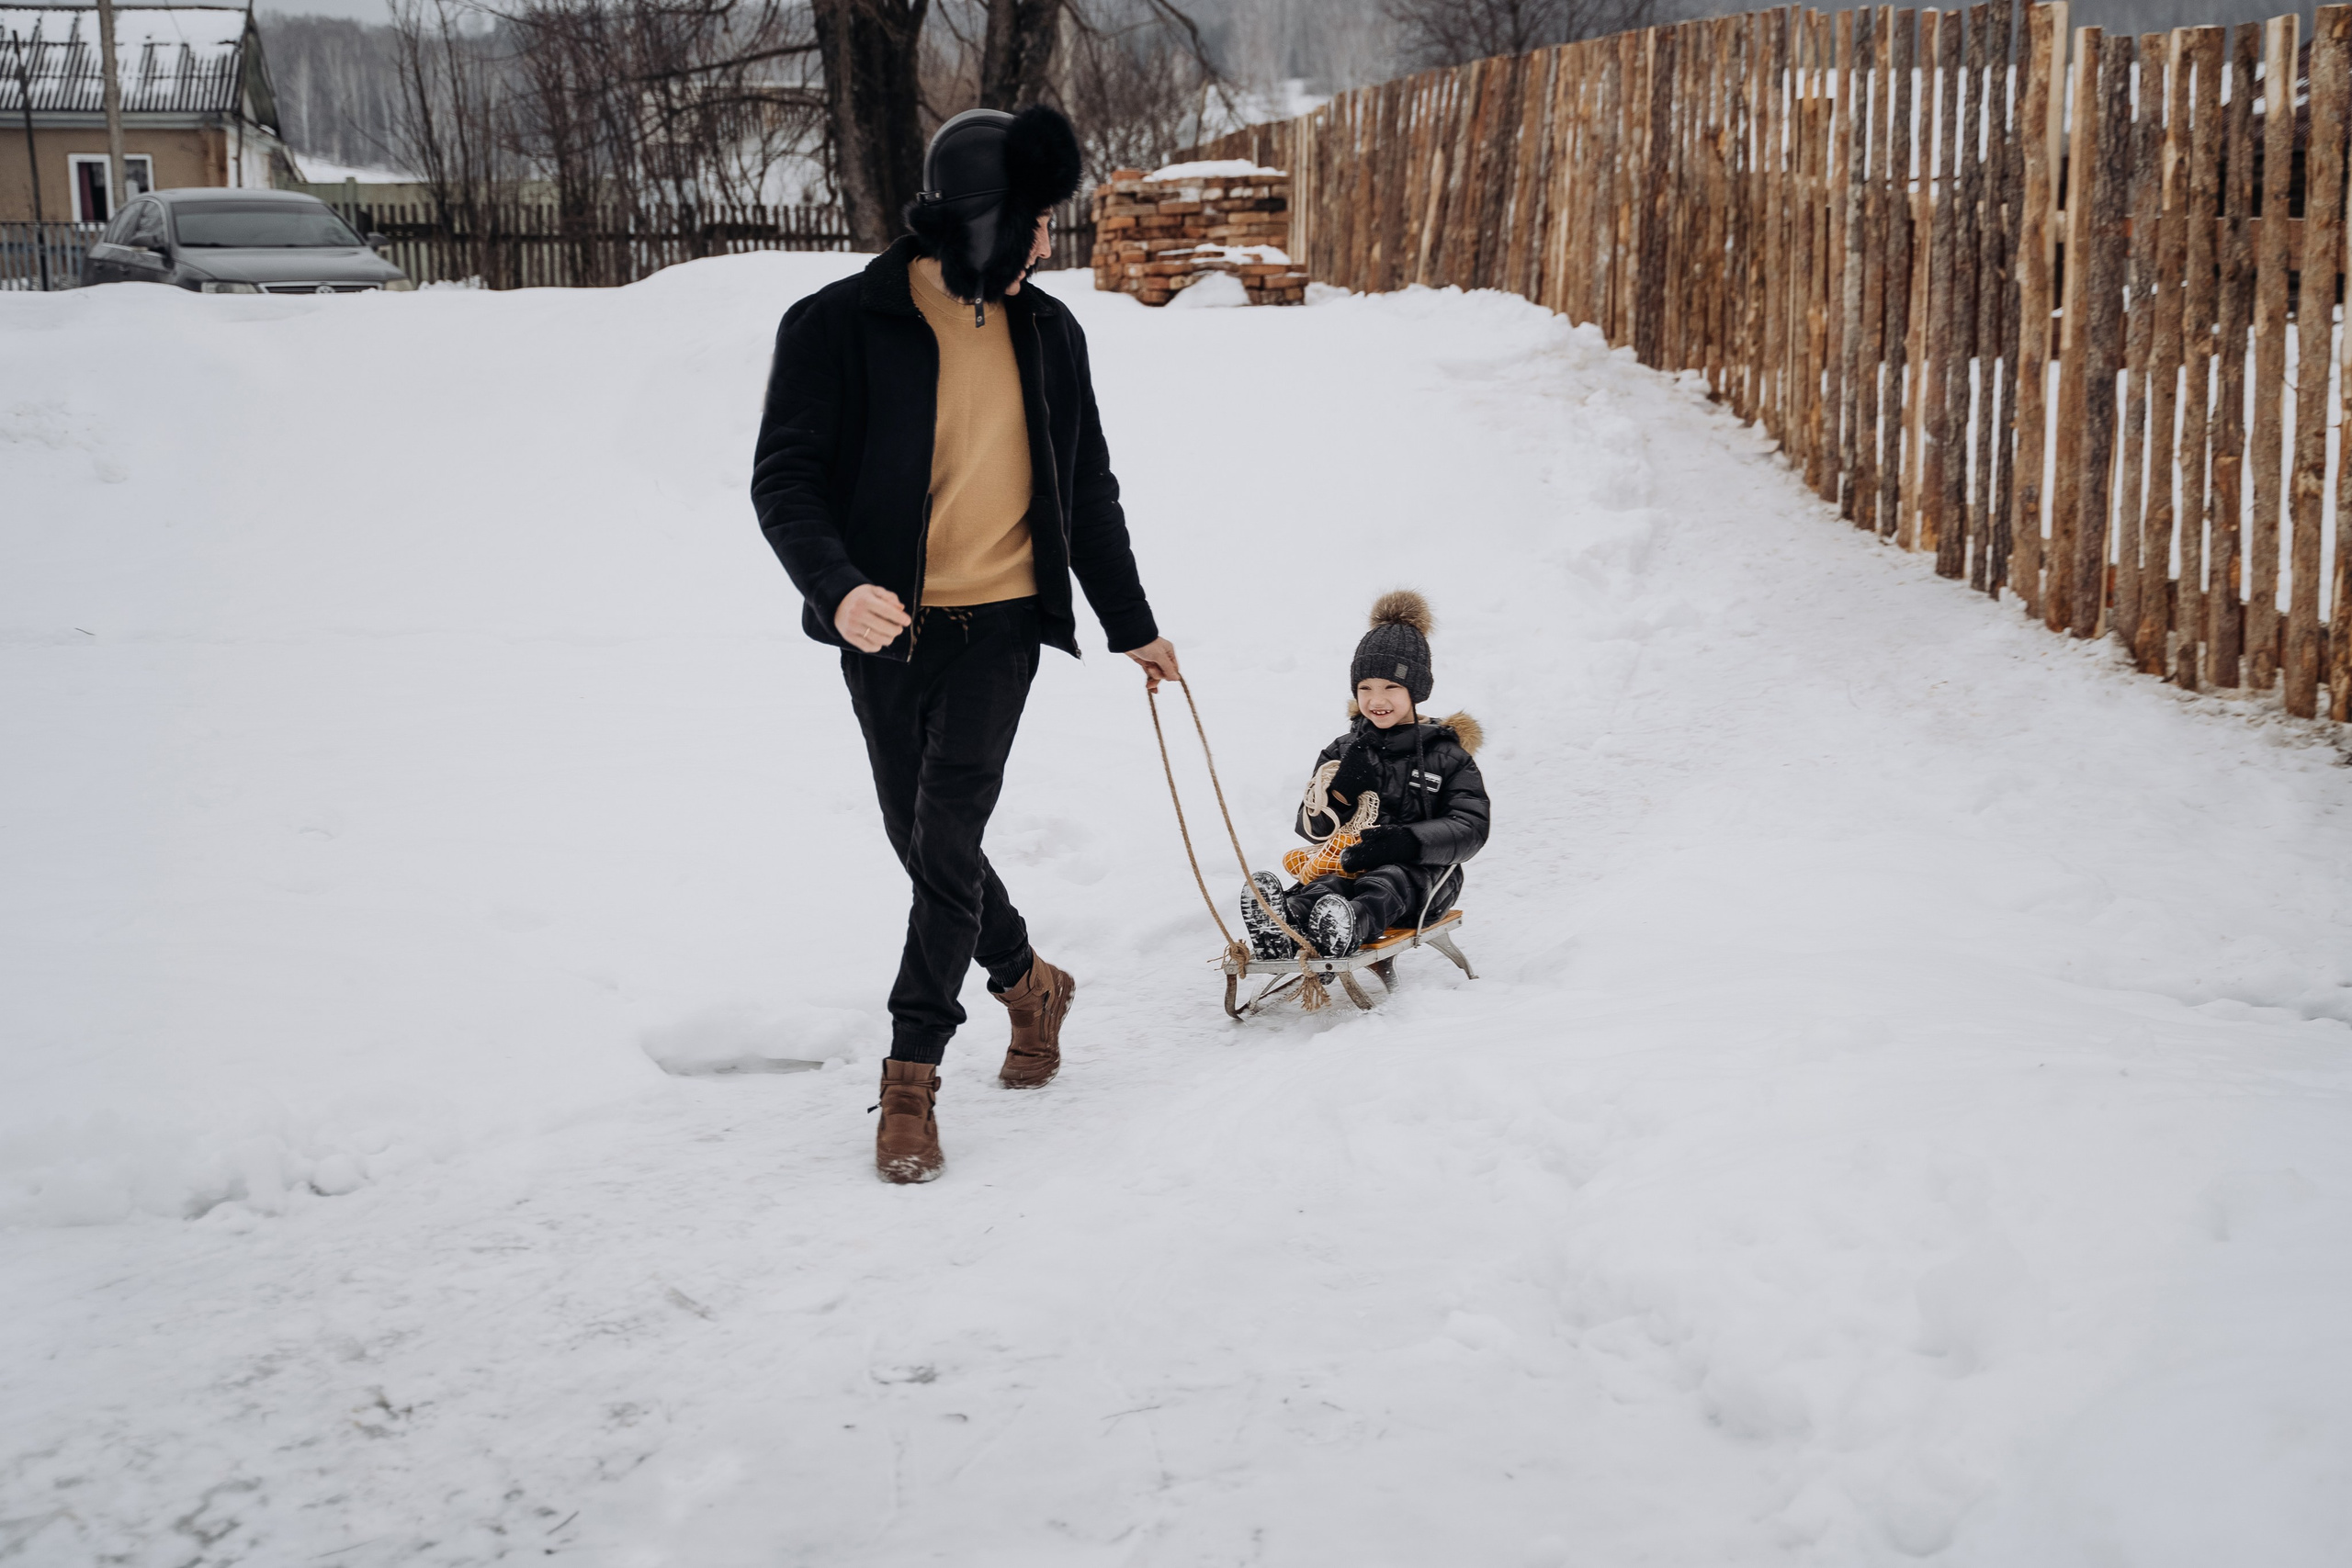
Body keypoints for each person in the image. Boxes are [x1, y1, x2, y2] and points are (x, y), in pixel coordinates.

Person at [750, 105, 1180, 1184]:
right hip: (886, 631)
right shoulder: (838, 324)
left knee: (944, 839)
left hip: (1001, 629)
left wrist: (1133, 626)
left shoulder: (1050, 332)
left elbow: (1086, 489)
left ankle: (911, 1080)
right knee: (919, 837)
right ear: (984, 219)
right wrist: (837, 587)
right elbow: (785, 480)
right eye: (1037, 219)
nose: (1051, 240)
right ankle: (1030, 982)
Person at [1240, 592, 1489, 960]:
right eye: (1365, 688)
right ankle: (1283, 925)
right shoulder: (1344, 750)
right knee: (1326, 885)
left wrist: (1407, 841)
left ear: (1416, 690)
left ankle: (1347, 926)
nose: (1377, 700)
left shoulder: (1447, 756)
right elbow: (1311, 829)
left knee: (1384, 881)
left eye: (1391, 687)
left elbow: (1470, 828)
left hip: (1424, 878)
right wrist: (1341, 794)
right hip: (1351, 862)